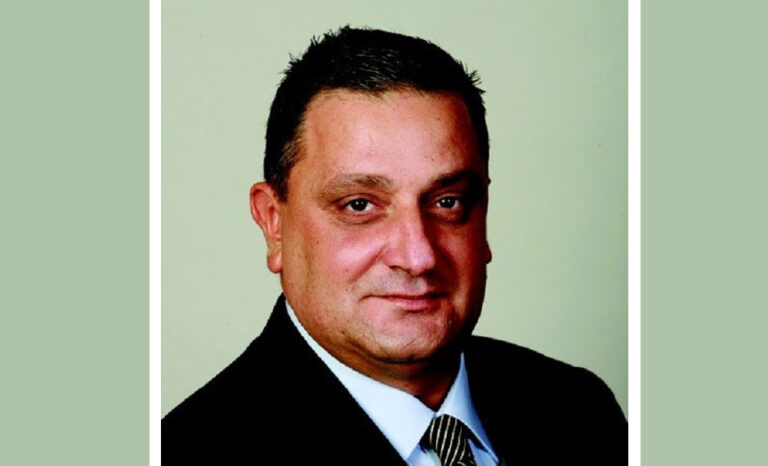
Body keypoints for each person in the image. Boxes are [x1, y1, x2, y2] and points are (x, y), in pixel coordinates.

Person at [162, 26, 627, 465]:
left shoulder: (579, 410)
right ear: (273, 223)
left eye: (447, 202)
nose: (418, 257)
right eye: (359, 205)